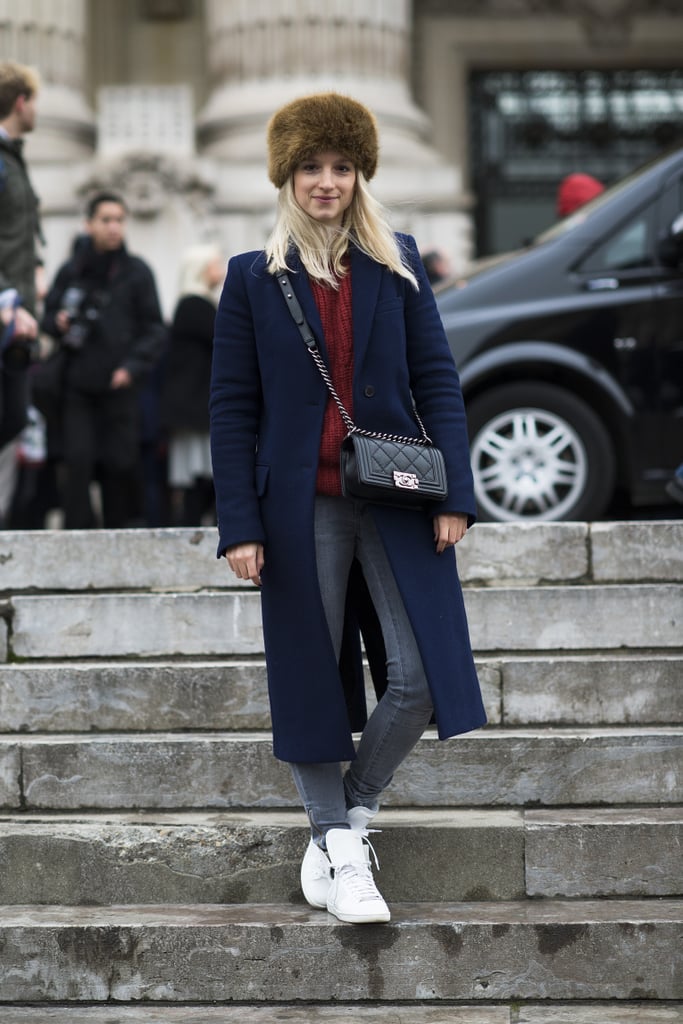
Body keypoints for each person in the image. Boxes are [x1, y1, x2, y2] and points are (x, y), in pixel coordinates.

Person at [209, 92, 486, 924]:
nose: (325, 182)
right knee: (309, 676)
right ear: (285, 177)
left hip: (399, 496)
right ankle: (337, 844)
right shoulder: (253, 277)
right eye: (309, 168)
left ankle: (350, 816)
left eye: (339, 167)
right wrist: (241, 524)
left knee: (422, 676)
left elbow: (437, 378)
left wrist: (456, 496)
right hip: (299, 508)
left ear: (359, 173)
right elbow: (232, 407)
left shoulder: (395, 262)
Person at [42, 193, 166, 528]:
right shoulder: (71, 270)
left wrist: (131, 368)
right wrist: (58, 322)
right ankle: (76, 541)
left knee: (118, 466)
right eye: (106, 220)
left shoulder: (137, 272)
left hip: (119, 387)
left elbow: (155, 330)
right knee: (77, 464)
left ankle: (116, 542)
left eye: (119, 220)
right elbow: (47, 316)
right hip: (76, 386)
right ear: (89, 224)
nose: (114, 227)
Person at [0, 61, 43, 516]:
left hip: (18, 317)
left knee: (13, 417)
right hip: (6, 310)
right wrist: (6, 299)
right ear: (20, 101)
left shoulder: (13, 158)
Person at [161, 243, 223, 526]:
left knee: (204, 476)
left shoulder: (197, 304)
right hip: (197, 408)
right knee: (201, 476)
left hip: (198, 407)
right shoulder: (195, 305)